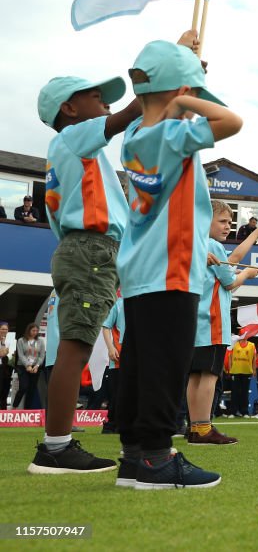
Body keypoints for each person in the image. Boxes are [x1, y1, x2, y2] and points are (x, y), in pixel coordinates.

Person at [115, 35, 241, 489]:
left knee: (140, 364)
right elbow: (232, 120)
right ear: (178, 92)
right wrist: (195, 88)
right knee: (167, 365)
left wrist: (183, 66)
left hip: (141, 268)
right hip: (172, 267)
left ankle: (134, 457)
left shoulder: (134, 136)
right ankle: (155, 459)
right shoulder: (173, 135)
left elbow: (162, 104)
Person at [27, 70, 141, 472]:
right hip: (92, 248)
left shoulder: (77, 149)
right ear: (70, 109)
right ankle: (55, 448)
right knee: (75, 349)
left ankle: (57, 444)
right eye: (96, 96)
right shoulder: (73, 138)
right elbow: (129, 113)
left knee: (76, 346)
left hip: (91, 249)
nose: (105, 102)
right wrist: (168, 80)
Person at [186, 200, 258, 445]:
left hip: (195, 324)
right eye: (222, 221)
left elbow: (235, 256)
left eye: (230, 222)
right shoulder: (212, 247)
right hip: (213, 322)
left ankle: (196, 426)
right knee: (209, 376)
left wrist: (256, 234)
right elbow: (230, 282)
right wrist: (247, 274)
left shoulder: (195, 246)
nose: (227, 226)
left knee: (195, 377)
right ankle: (203, 428)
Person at [100, 295, 125, 434]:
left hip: (136, 354)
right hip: (118, 356)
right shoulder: (118, 303)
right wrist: (110, 347)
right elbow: (106, 326)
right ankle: (111, 423)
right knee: (117, 393)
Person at [13, 323, 44, 410]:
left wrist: (37, 366)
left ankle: (27, 410)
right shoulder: (21, 340)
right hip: (22, 366)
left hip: (35, 368)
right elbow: (21, 355)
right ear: (28, 330)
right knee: (23, 387)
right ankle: (14, 407)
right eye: (33, 330)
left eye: (36, 331)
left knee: (31, 389)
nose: (35, 332)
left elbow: (41, 355)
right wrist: (27, 365)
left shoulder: (40, 341)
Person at [227, 337, 256, 417]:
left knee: (245, 392)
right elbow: (230, 357)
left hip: (247, 371)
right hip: (235, 371)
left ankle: (245, 412)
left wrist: (254, 370)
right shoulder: (234, 344)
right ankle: (233, 412)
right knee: (234, 392)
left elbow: (254, 358)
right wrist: (230, 369)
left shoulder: (252, 345)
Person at [0, 322, 12, 410]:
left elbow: (3, 354)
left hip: (0, 366)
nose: (4, 331)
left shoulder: (7, 341)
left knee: (1, 388)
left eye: (6, 329)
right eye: (2, 329)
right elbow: (2, 352)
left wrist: (3, 342)